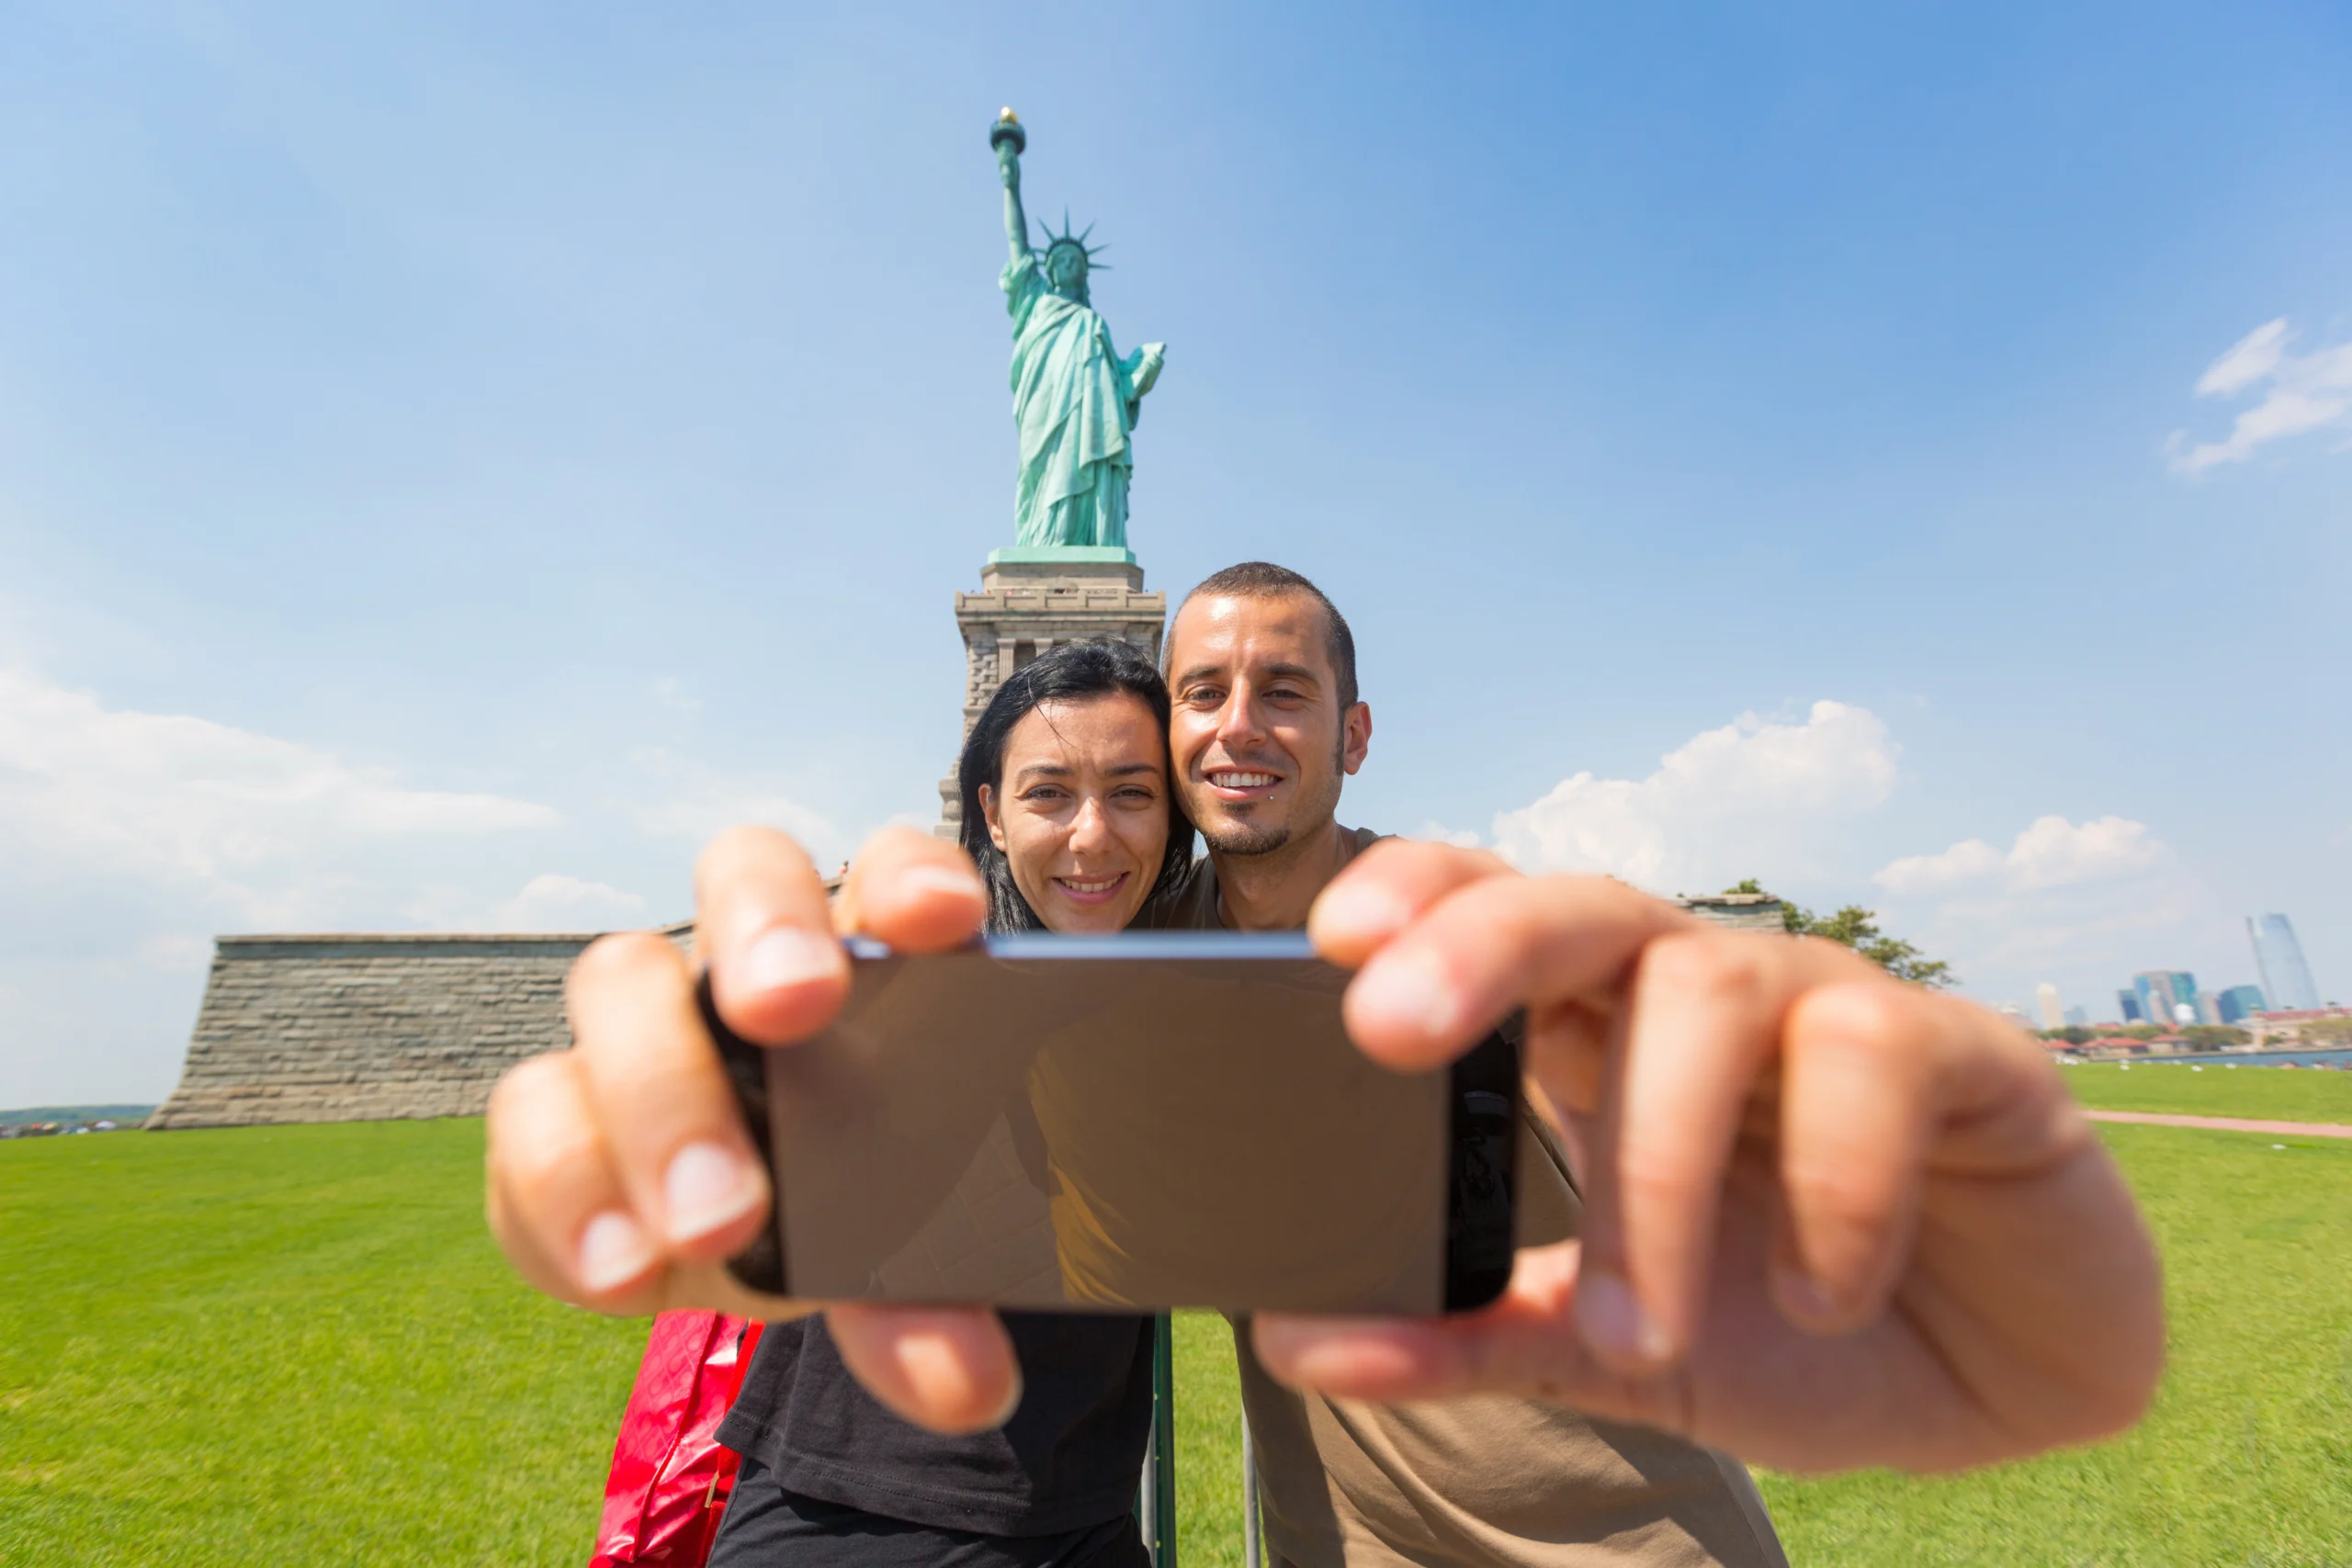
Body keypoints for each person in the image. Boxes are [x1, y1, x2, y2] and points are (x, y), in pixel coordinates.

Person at [485, 574, 2163, 1545]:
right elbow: (959, 963)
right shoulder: (1144, 957)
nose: (1234, 724)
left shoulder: (1492, 932)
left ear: (1352, 733)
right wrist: (797, 979)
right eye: (1199, 691)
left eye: (1284, 689)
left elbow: (1708, 1067)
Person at [567, 640, 1192, 1567]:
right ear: (990, 810)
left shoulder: (1191, 1011)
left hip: (1072, 1526)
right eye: (1048, 793)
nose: (1091, 835)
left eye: (1133, 794)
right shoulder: (910, 974)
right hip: (827, 1515)